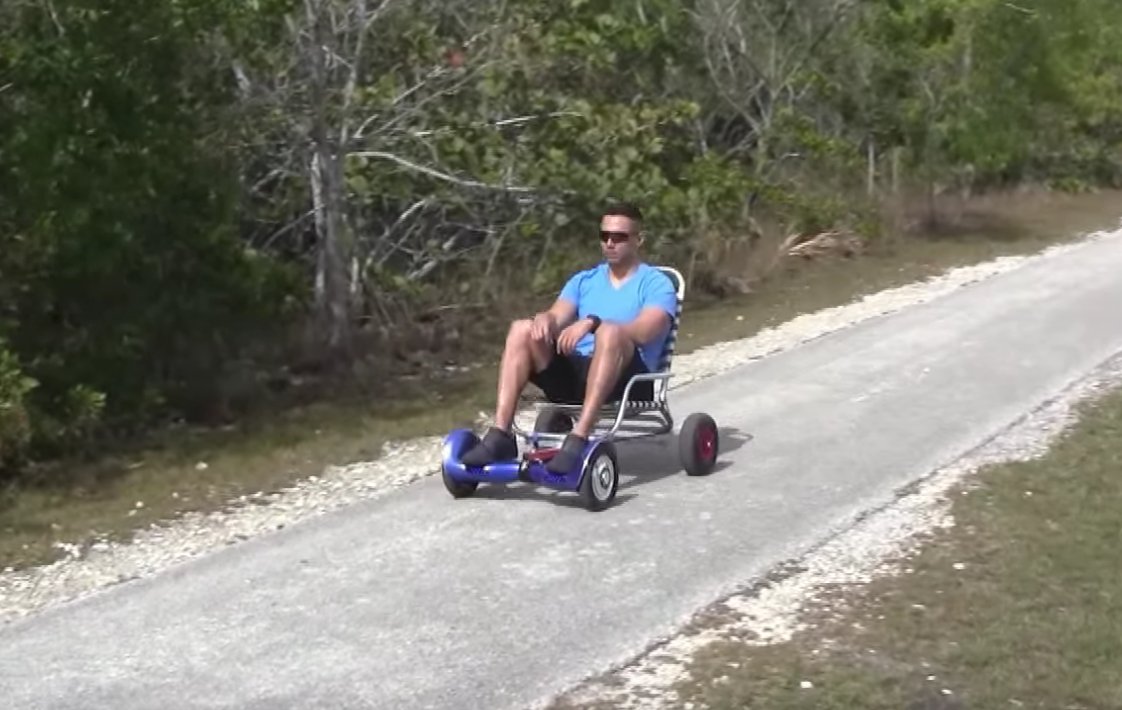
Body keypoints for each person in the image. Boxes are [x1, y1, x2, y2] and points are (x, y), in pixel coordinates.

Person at [461, 202, 678, 474]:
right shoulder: (584, 280)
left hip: (627, 380)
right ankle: (501, 435)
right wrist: (544, 319)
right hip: (576, 378)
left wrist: (593, 323)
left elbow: (645, 331)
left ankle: (579, 438)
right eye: (605, 236)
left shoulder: (656, 284)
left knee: (611, 332)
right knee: (521, 328)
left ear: (639, 240)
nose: (610, 243)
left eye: (619, 236)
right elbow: (556, 316)